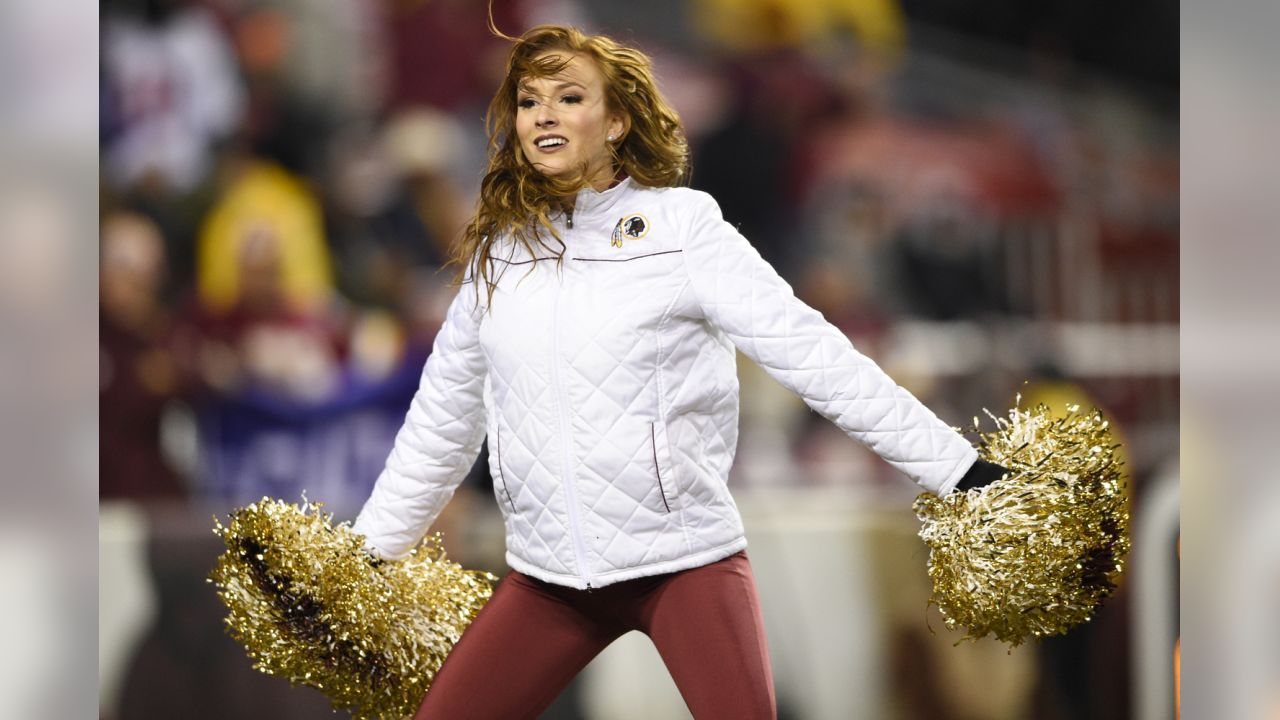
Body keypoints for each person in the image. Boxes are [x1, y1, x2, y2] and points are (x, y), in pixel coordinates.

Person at [351, 24, 1006, 720]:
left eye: (568, 97)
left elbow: (817, 357)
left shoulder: (683, 230)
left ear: (617, 121)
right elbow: (439, 427)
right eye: (527, 101)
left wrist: (960, 472)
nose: (542, 113)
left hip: (685, 566)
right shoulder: (498, 259)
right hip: (545, 581)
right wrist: (361, 563)